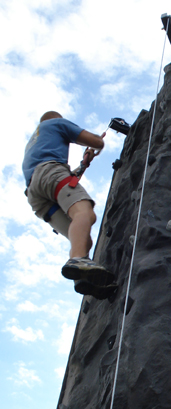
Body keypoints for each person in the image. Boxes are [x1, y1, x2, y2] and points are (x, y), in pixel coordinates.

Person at [22, 111, 116, 300]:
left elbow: (52, 180)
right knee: (85, 213)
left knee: (83, 241)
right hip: (51, 173)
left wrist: (84, 164)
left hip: (35, 192)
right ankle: (78, 260)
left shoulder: (33, 143)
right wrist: (97, 143)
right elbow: (96, 142)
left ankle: (83, 278)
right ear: (56, 118)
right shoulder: (55, 124)